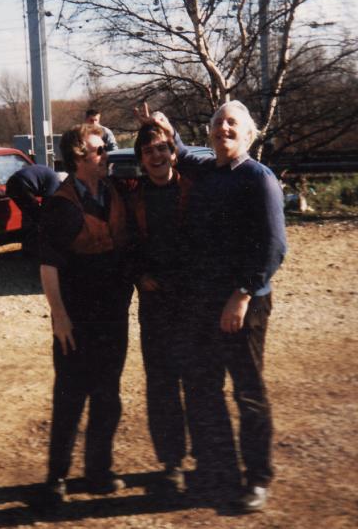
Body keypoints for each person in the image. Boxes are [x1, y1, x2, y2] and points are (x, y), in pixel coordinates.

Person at [164, 100, 288, 513]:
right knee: (205, 389)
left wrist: (242, 294)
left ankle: (257, 479)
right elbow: (180, 154)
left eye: (233, 123)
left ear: (250, 134)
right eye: (217, 123)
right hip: (204, 301)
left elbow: (274, 247)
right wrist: (165, 129)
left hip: (243, 304)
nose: (224, 129)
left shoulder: (259, 179)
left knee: (248, 393)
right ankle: (219, 470)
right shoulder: (207, 173)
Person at [34, 122, 132, 510]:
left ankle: (99, 472)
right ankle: (56, 478)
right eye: (99, 150)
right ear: (78, 156)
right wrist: (59, 317)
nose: (107, 154)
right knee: (70, 397)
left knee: (108, 396)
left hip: (113, 318)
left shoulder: (114, 194)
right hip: (76, 321)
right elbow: (48, 266)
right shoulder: (60, 205)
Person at [127, 121, 194, 495]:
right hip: (155, 304)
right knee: (162, 384)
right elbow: (125, 245)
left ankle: (208, 458)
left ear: (174, 151)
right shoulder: (133, 198)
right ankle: (172, 463)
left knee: (200, 381)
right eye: (149, 150)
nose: (157, 155)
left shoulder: (192, 190)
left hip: (193, 301)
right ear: (141, 158)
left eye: (163, 148)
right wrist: (138, 274)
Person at [5, 163, 60, 256]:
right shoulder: (55, 181)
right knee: (38, 217)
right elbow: (47, 202)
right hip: (22, 185)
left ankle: (28, 247)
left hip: (11, 183)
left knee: (28, 215)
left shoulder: (48, 173)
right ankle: (37, 248)